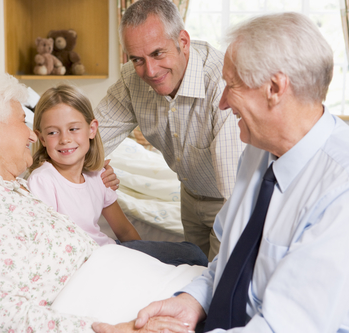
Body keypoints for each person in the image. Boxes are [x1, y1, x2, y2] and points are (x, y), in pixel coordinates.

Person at [93, 12, 349, 333]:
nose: (223, 102)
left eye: (232, 85)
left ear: (275, 88)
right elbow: (229, 263)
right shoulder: (257, 152)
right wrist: (192, 301)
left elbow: (287, 326)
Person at [0, 72, 191, 333]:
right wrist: (117, 330)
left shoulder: (9, 189)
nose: (32, 137)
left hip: (116, 274)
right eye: (23, 120)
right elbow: (5, 315)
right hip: (102, 301)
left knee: (199, 267)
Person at [94, 0, 244, 261]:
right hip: (189, 194)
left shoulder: (220, 83)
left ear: (183, 42)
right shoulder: (132, 79)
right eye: (137, 59)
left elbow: (233, 189)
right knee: (194, 271)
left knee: (219, 283)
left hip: (228, 202)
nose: (150, 71)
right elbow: (91, 139)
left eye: (158, 53)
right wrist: (87, 166)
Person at [27, 84, 207, 266]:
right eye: (52, 132)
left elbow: (125, 231)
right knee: (193, 257)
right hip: (90, 261)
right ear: (41, 138)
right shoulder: (42, 180)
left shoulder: (98, 176)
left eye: (73, 129)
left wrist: (145, 263)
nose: (65, 139)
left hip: (110, 251)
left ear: (92, 129)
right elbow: (47, 243)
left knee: (194, 253)